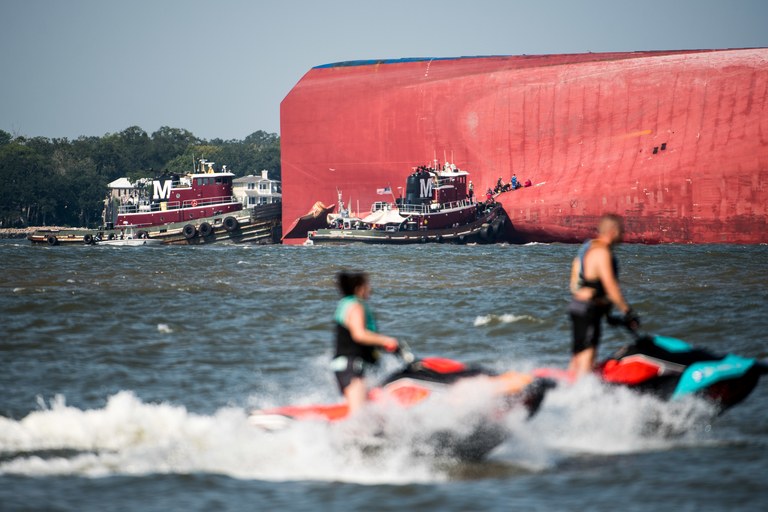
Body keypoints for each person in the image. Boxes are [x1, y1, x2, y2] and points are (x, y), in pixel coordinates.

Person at [568, 214, 639, 377]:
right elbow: (610, 285)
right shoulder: (603, 252)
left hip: (579, 306)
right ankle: (581, 393)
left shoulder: (587, 249)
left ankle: (569, 386)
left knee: (578, 354)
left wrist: (607, 314)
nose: (622, 236)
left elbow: (575, 280)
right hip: (588, 308)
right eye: (621, 231)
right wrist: (627, 312)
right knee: (588, 355)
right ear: (612, 231)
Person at [332, 271, 399, 414]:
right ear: (359, 288)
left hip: (346, 366)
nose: (370, 289)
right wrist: (387, 340)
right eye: (367, 285)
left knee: (366, 410)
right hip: (352, 367)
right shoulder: (356, 305)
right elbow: (359, 334)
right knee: (359, 416)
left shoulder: (345, 303)